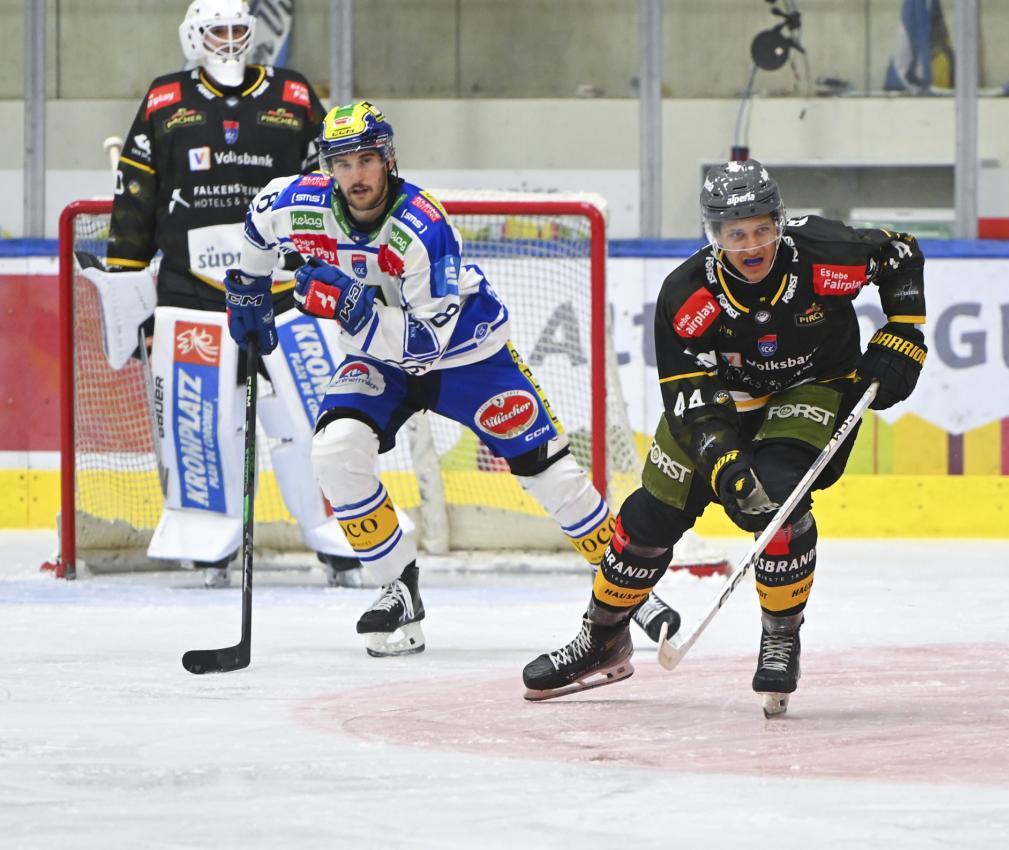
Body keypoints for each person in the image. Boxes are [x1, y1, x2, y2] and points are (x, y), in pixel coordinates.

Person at [223, 101, 681, 656]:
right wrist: (247, 286)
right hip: (378, 361)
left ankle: (631, 586)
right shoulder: (298, 202)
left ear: (388, 160)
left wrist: (351, 307)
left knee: (551, 474)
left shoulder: (423, 226)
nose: (355, 176)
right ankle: (398, 587)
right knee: (335, 452)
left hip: (467, 355)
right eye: (341, 164)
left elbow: (423, 346)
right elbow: (258, 219)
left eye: (366, 159)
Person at [522, 159, 927, 713]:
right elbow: (692, 404)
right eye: (736, 233)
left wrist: (904, 330)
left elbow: (900, 252)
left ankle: (781, 637)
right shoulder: (685, 295)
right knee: (646, 519)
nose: (752, 244)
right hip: (722, 406)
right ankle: (603, 637)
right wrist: (727, 467)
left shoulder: (824, 254)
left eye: (762, 227)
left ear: (780, 222)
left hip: (810, 388)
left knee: (778, 502)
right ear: (714, 235)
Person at [102, 0, 352, 588]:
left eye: (241, 28)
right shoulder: (164, 100)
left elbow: (328, 189)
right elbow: (135, 195)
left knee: (317, 413)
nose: (232, 39)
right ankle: (207, 537)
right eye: (219, 29)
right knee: (198, 418)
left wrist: (340, 269)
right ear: (194, 35)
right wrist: (127, 281)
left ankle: (342, 532)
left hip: (287, 291)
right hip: (192, 290)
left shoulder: (293, 96)